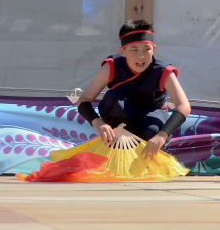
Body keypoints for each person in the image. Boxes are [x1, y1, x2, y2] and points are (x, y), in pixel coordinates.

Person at [76, 19, 192, 159]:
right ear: (123, 51)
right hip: (120, 115)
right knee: (113, 98)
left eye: (146, 49)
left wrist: (162, 135)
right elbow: (84, 99)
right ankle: (114, 149)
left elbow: (184, 106)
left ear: (153, 49)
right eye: (134, 50)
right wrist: (98, 122)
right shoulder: (112, 66)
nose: (141, 56)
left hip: (151, 113)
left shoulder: (163, 71)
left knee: (152, 131)